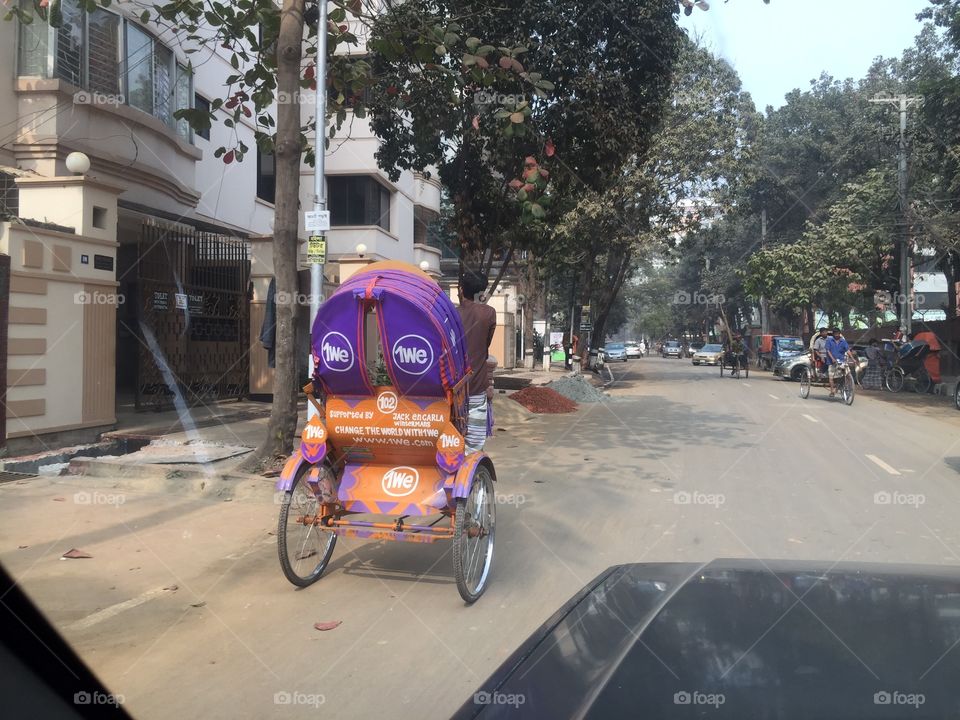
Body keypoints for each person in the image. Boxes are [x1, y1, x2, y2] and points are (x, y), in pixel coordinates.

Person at [458, 272, 497, 452]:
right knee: (473, 446)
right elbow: (485, 345)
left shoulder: (451, 314)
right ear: (482, 292)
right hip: (476, 386)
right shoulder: (488, 313)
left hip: (451, 388)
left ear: (460, 290)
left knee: (451, 440)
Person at [825, 328, 856, 396]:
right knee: (831, 377)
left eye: (838, 333)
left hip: (841, 360)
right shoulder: (829, 341)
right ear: (833, 334)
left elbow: (848, 350)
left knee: (848, 373)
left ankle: (849, 385)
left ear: (839, 334)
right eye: (835, 333)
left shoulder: (843, 341)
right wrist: (832, 359)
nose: (836, 335)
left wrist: (853, 359)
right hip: (831, 362)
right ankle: (832, 391)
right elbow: (828, 350)